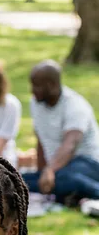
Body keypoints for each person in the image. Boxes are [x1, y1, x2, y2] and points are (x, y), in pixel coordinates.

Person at [22, 60, 99, 203]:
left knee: (65, 178)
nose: (32, 90)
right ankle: (70, 195)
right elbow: (41, 139)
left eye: (36, 85)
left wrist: (49, 170)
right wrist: (42, 172)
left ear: (51, 85)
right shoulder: (36, 103)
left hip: (88, 163)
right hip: (58, 168)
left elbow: (70, 145)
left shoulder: (75, 106)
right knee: (19, 178)